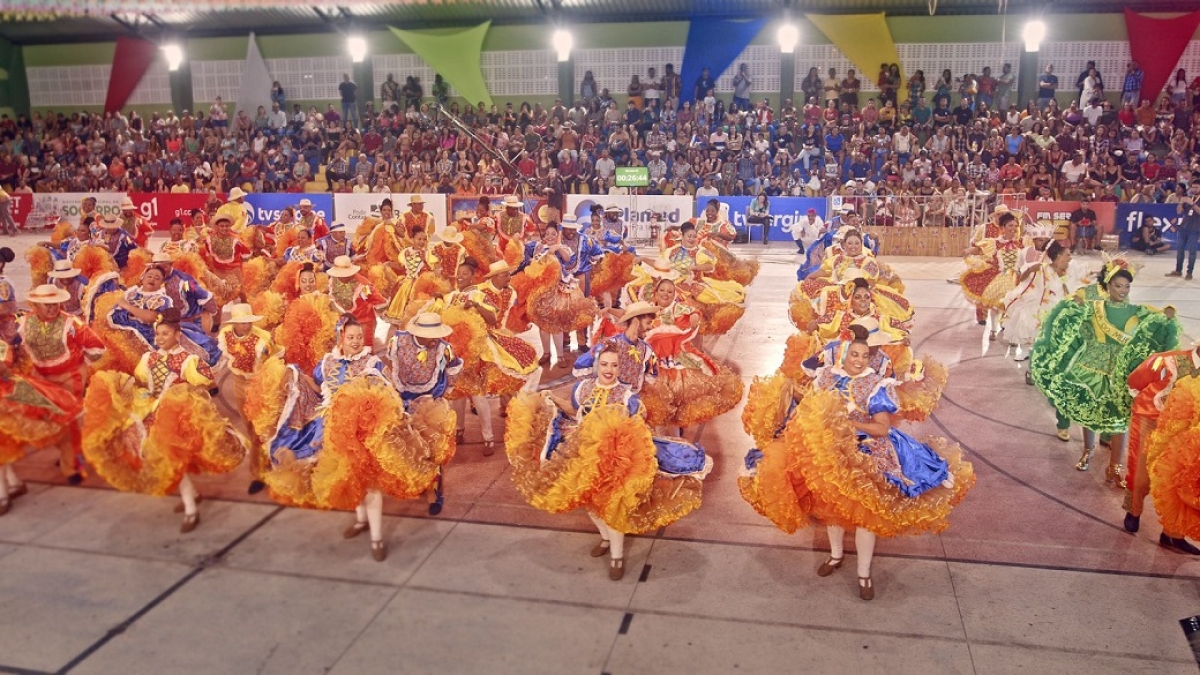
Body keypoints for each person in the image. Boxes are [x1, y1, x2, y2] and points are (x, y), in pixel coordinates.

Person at [739, 333, 974, 600]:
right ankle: (836, 556)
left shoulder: (874, 385)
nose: (860, 361)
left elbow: (882, 428)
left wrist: (849, 424)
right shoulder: (826, 377)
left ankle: (864, 573)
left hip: (865, 454)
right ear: (844, 354)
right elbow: (809, 408)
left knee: (865, 517)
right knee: (830, 509)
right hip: (829, 453)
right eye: (855, 354)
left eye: (865, 356)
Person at [508, 344, 711, 581]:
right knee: (587, 501)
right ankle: (605, 537)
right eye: (604, 364)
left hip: (614, 459)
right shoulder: (583, 388)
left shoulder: (626, 396)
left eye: (614, 365)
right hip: (580, 451)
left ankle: (616, 555)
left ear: (620, 368)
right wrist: (552, 398)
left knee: (611, 505)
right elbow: (575, 411)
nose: (609, 369)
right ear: (596, 365)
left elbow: (636, 427)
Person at [82, 308, 246, 533]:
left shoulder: (189, 360)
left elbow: (206, 384)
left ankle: (191, 510)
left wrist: (182, 394)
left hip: (176, 416)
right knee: (160, 457)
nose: (159, 338)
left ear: (177, 335)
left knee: (171, 460)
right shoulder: (149, 357)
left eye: (165, 334)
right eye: (158, 334)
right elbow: (141, 381)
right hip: (151, 411)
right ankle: (193, 497)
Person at [1031, 260, 1180, 476]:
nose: (1123, 291)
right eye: (1118, 286)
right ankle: (1087, 452)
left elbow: (1160, 319)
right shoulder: (1095, 307)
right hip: (1092, 367)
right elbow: (1070, 314)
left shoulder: (1138, 311)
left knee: (1119, 419)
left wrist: (1168, 313)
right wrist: (1073, 304)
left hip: (1121, 371)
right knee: (1090, 412)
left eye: (1127, 287)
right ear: (1108, 286)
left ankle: (1115, 467)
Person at [18, 284, 106, 483]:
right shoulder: (23, 323)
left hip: (70, 376)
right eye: (46, 304)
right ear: (36, 305)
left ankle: (71, 465)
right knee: (50, 420)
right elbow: (16, 348)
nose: (52, 308)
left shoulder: (72, 323)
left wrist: (82, 366)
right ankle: (71, 452)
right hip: (40, 379)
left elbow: (97, 347)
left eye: (55, 303)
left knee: (69, 419)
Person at [1122, 344, 1200, 554]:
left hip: (1187, 430)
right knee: (1141, 471)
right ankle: (1133, 510)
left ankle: (1172, 533)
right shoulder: (1166, 360)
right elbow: (1135, 381)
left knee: (1181, 479)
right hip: (1151, 420)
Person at [385, 312, 462, 515]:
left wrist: (446, 392)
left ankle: (435, 494)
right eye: (431, 334)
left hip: (431, 402)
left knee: (434, 449)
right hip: (402, 399)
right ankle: (417, 483)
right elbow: (390, 365)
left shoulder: (444, 349)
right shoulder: (397, 341)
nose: (434, 338)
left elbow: (454, 368)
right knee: (408, 448)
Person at [216, 303, 278, 495]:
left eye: (247, 322)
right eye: (241, 323)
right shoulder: (225, 335)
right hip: (238, 383)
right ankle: (259, 472)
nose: (245, 326)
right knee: (251, 429)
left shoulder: (262, 341)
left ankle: (272, 469)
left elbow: (272, 365)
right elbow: (225, 358)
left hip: (260, 384)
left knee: (266, 427)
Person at [1165, 197, 1200, 280]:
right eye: (1193, 187)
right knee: (1180, 250)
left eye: (1196, 187)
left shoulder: (1193, 201)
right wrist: (1181, 202)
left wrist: (1193, 204)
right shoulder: (1189, 198)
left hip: (1194, 230)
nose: (1194, 189)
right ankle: (1178, 271)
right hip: (1183, 229)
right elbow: (1179, 212)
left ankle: (1189, 272)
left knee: (1192, 252)